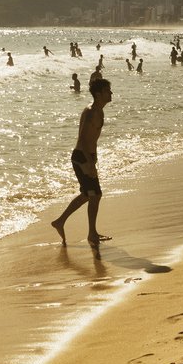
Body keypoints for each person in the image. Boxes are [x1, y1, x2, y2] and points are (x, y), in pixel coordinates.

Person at [51, 78, 113, 245]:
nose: (111, 93)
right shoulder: (91, 112)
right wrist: (89, 163)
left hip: (87, 156)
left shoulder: (99, 111)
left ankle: (60, 222)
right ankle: (92, 234)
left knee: (88, 194)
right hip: (81, 157)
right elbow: (83, 140)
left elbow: (92, 139)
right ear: (99, 94)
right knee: (95, 195)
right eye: (108, 91)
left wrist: (95, 157)